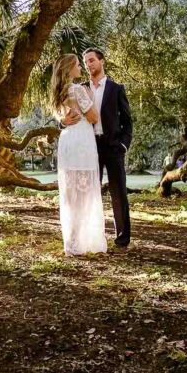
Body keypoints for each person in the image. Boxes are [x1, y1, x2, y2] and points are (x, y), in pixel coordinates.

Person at [62, 48, 134, 249]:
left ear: (101, 61)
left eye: (92, 60)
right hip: (88, 146)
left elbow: (128, 122)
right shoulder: (79, 88)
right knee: (88, 192)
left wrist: (123, 145)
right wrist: (62, 122)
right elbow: (66, 114)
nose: (88, 65)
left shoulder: (116, 88)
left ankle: (122, 239)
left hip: (113, 146)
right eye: (85, 62)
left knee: (118, 193)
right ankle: (87, 236)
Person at [51, 54, 107, 255]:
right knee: (84, 193)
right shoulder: (77, 89)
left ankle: (72, 241)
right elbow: (93, 117)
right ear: (69, 69)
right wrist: (90, 99)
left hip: (67, 141)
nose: (81, 69)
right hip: (82, 141)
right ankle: (84, 241)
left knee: (70, 192)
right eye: (77, 65)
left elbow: (62, 117)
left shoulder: (58, 92)